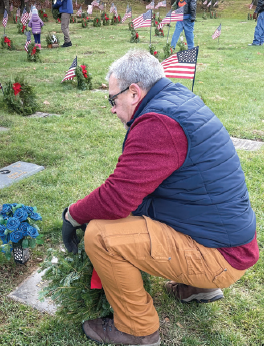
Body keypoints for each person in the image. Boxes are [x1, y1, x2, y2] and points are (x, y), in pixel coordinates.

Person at [61, 49, 258, 346]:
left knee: (100, 234)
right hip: (230, 243)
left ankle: (136, 329)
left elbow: (117, 198)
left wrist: (73, 215)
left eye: (113, 99)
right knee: (136, 214)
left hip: (222, 257)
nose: (112, 108)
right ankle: (197, 287)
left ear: (135, 92)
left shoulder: (159, 123)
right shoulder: (178, 100)